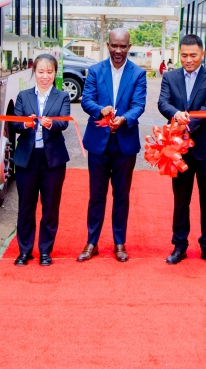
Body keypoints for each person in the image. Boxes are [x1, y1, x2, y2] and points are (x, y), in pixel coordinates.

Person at [78, 28, 147, 263]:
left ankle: (119, 243)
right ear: (107, 45)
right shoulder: (96, 71)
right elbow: (86, 100)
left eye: (123, 46)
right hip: (98, 144)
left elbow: (139, 104)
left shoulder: (138, 73)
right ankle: (92, 242)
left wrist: (125, 118)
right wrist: (101, 110)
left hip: (125, 144)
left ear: (129, 47)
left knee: (121, 196)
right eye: (114, 46)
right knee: (96, 196)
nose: (118, 50)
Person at [158, 33, 206, 267]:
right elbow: (163, 103)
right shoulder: (170, 77)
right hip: (178, 151)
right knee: (181, 199)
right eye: (184, 55)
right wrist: (175, 114)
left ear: (202, 55)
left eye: (193, 55)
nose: (188, 60)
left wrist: (188, 124)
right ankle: (179, 245)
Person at [9, 54, 72, 266]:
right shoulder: (23, 96)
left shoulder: (62, 96)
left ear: (55, 74)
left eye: (49, 72)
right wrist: (25, 124)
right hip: (27, 159)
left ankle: (46, 251)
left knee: (50, 207)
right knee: (26, 207)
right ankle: (24, 251)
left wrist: (50, 123)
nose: (45, 76)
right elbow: (14, 124)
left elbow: (64, 123)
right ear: (34, 72)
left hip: (52, 160)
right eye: (41, 72)